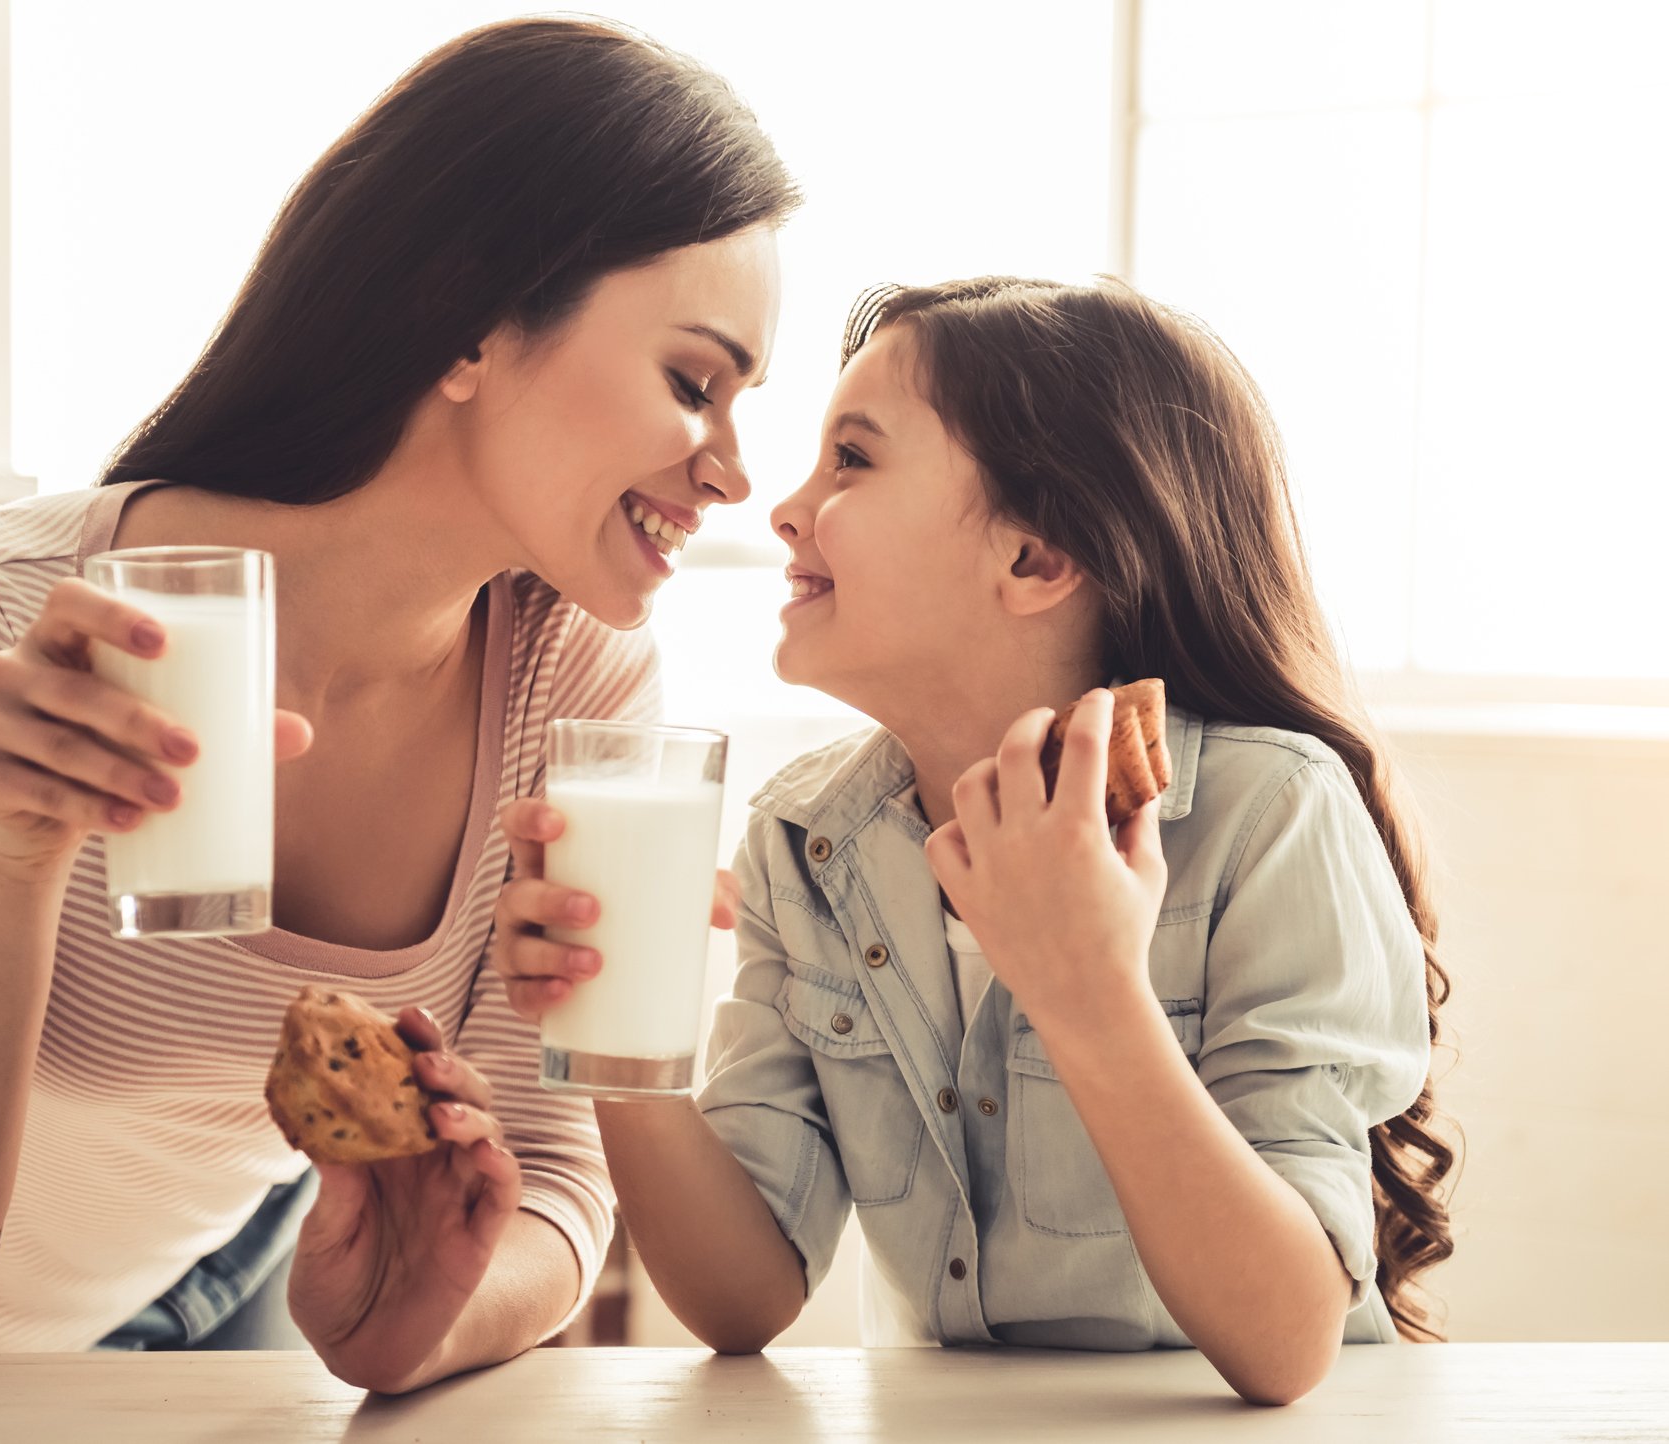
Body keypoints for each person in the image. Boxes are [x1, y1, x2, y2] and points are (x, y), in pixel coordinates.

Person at [0, 17, 791, 1392]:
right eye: (694, 384)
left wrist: (417, 1324)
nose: (737, 472)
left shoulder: (577, 680)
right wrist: (23, 858)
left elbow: (555, 1174)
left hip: (225, 1287)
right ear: (469, 322)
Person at [492, 276, 1456, 1405]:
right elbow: (742, 1296)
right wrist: (616, 1027)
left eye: (851, 459)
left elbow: (1288, 1343)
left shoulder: (1267, 814)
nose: (785, 508)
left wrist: (1089, 986)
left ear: (1035, 559)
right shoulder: (804, 843)